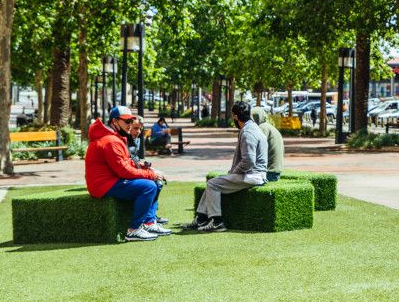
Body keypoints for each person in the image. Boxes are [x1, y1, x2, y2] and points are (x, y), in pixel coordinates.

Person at [85, 106, 171, 242]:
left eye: (131, 121)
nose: (130, 125)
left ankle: (149, 223)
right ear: (115, 121)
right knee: (149, 186)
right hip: (104, 185)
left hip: (110, 181)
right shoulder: (111, 141)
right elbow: (124, 171)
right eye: (127, 121)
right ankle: (133, 230)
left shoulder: (113, 138)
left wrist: (147, 169)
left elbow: (125, 163)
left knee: (156, 183)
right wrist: (150, 174)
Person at [187, 101, 269, 232]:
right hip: (254, 174)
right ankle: (201, 219)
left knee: (212, 184)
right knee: (213, 182)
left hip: (253, 175)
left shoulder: (248, 132)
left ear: (235, 116)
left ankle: (217, 222)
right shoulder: (252, 128)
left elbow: (249, 161)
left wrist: (234, 172)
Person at [254, 107, 284, 176]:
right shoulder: (267, 126)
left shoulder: (262, 128)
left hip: (268, 171)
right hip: (275, 170)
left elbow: (256, 147)